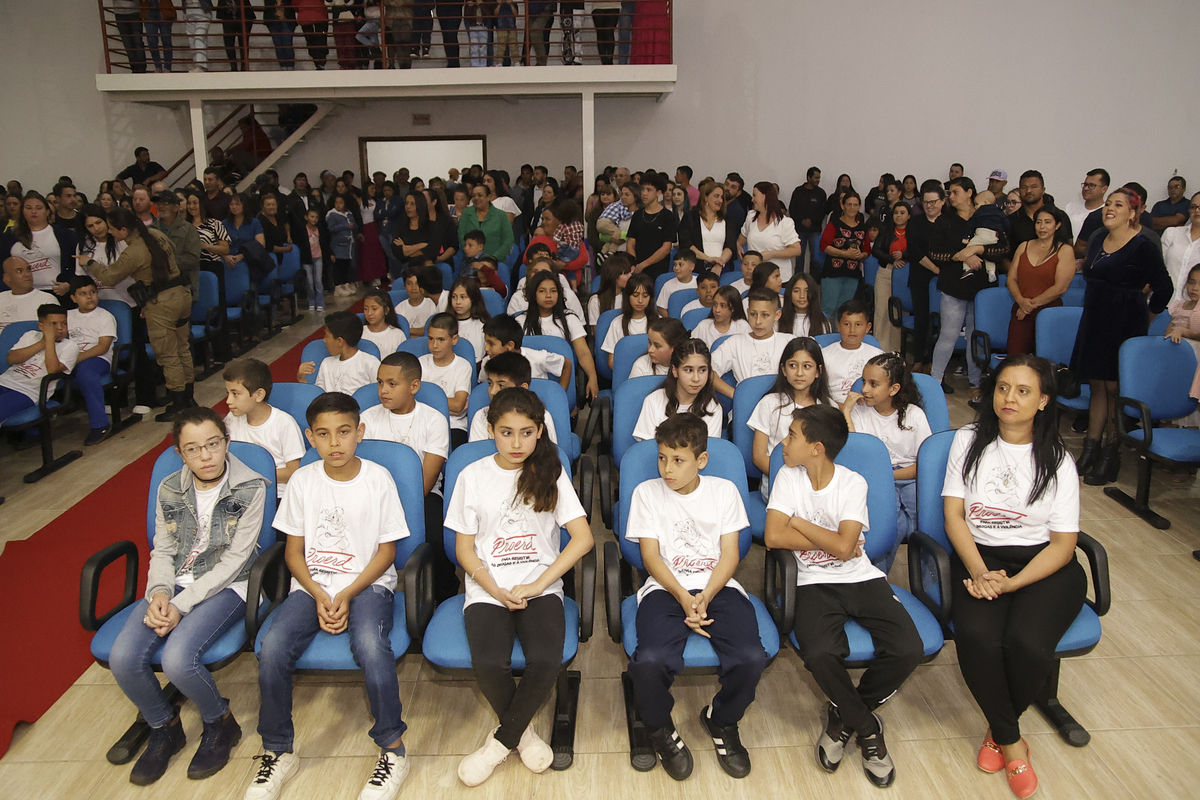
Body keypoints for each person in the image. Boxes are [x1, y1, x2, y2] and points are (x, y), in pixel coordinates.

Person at [248, 392, 412, 800]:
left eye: (343, 432)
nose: (335, 442)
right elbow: (292, 552)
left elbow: (386, 552)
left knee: (371, 645)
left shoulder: (378, 479)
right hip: (313, 585)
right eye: (323, 434)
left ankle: (392, 748)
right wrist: (321, 593)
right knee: (272, 648)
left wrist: (346, 593)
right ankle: (278, 750)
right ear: (310, 437)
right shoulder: (303, 481)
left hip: (367, 583)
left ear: (360, 432)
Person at [942, 356, 1087, 800]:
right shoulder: (968, 440)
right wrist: (981, 572)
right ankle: (1010, 740)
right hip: (981, 557)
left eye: (1024, 391)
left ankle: (999, 730)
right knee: (977, 637)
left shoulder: (1058, 460)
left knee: (1027, 642)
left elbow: (1063, 545)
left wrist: (1012, 584)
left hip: (1044, 565)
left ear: (1043, 401)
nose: (1009, 398)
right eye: (1003, 387)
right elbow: (954, 516)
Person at [765, 405, 922, 788]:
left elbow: (845, 547)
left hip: (860, 577)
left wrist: (799, 522)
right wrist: (835, 541)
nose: (784, 442)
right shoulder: (787, 475)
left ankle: (844, 714)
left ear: (816, 448)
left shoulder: (853, 483)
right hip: (811, 581)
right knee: (820, 653)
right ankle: (867, 728)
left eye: (792, 436)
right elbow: (773, 537)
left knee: (908, 648)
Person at [109, 407, 267, 786]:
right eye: (193, 449)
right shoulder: (170, 487)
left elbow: (235, 561)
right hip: (176, 583)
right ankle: (164, 727)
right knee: (124, 658)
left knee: (179, 660)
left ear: (227, 442)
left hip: (231, 584)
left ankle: (220, 722)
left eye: (213, 444)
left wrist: (180, 605)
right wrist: (160, 593)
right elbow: (162, 549)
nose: (205, 456)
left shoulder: (251, 487)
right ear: (180, 453)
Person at [447, 387, 593, 786]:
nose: (516, 443)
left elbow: (583, 538)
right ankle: (522, 734)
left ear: (540, 431)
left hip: (539, 586)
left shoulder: (551, 471)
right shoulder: (472, 475)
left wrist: (538, 584)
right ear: (490, 430)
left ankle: (498, 744)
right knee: (489, 663)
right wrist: (494, 588)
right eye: (506, 432)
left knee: (545, 660)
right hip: (488, 586)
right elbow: (463, 549)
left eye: (526, 433)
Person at [625, 412, 763, 781]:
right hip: (666, 588)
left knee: (751, 657)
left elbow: (730, 554)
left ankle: (722, 720)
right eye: (661, 458)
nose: (667, 469)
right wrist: (685, 597)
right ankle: (659, 728)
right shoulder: (646, 493)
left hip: (719, 586)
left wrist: (706, 595)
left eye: (678, 460)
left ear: (701, 460)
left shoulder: (723, 491)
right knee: (650, 660)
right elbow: (651, 557)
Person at [1071, 188, 1173, 485]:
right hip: (1095, 319)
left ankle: (1111, 453)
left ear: (1133, 212)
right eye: (1108, 204)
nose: (1110, 208)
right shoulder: (1098, 238)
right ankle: (1090, 448)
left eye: (1118, 204)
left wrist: (1148, 315)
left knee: (1114, 388)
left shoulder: (1143, 245)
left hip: (1125, 321)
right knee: (1097, 385)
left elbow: (1164, 287)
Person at [82, 208, 195, 421]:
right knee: (182, 348)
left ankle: (179, 404)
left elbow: (110, 277)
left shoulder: (134, 251)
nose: (110, 233)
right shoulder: (156, 234)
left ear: (124, 230)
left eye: (112, 229)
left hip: (162, 303)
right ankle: (188, 397)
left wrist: (90, 263)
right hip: (181, 294)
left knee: (168, 355)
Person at [928, 178, 1007, 402]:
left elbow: (1002, 249)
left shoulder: (987, 215)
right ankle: (934, 381)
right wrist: (961, 256)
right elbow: (935, 253)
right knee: (948, 335)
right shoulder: (945, 220)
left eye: (955, 192)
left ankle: (975, 383)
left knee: (976, 337)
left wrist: (978, 250)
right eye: (949, 193)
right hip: (954, 286)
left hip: (982, 289)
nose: (951, 197)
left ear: (969, 192)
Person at [841, 353, 931, 542]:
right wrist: (847, 412)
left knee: (926, 519)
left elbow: (925, 465)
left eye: (873, 384)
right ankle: (883, 562)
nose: (864, 389)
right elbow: (855, 453)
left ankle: (925, 560)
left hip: (909, 475)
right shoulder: (860, 412)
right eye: (864, 381)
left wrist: (891, 475)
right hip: (875, 477)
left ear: (894, 389)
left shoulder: (914, 415)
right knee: (891, 526)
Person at [748, 337, 831, 496]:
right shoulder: (769, 403)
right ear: (784, 370)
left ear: (818, 371)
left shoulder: (828, 408)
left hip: (816, 485)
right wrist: (788, 481)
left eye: (807, 366)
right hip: (778, 483)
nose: (799, 373)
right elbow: (758, 457)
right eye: (793, 365)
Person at [222, 358, 305, 500]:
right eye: (228, 393)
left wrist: (252, 477)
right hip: (240, 492)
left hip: (276, 494)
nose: (228, 400)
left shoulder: (284, 423)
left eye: (235, 394)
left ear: (259, 395)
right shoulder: (232, 418)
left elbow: (293, 470)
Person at [515, 268, 599, 398]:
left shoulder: (569, 318)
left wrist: (593, 378)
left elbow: (583, 353)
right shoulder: (520, 321)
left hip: (564, 380)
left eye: (553, 291)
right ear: (533, 294)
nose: (548, 295)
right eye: (542, 291)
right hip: (527, 383)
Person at [1006, 207, 1075, 356]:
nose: (1042, 226)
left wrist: (1030, 305)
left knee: (1044, 361)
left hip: (1049, 313)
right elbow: (1011, 279)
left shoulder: (1065, 250)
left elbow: (1060, 287)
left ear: (1057, 225)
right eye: (1038, 222)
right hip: (1021, 311)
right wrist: (1021, 301)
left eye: (1047, 222)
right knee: (1015, 359)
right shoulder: (1023, 246)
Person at [0, 303, 78, 424]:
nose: (60, 328)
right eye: (53, 324)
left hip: (28, 391)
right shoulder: (30, 335)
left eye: (64, 323)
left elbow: (52, 369)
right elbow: (12, 359)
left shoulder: (70, 346)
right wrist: (43, 342)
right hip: (4, 382)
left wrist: (50, 341)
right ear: (41, 326)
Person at [632, 338, 723, 441]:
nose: (696, 378)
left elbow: (708, 448)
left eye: (702, 370)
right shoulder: (653, 401)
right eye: (688, 370)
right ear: (675, 371)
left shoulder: (712, 408)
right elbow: (648, 447)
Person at [711, 287, 792, 399]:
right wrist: (738, 396)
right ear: (747, 312)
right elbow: (707, 371)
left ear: (777, 315)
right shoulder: (734, 343)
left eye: (765, 315)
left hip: (782, 403)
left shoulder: (789, 342)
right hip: (748, 405)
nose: (758, 321)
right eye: (753, 314)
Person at [65, 277, 118, 445]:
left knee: (86, 374)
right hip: (70, 357)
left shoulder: (105, 316)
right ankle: (33, 430)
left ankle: (100, 425)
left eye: (92, 292)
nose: (89, 297)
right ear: (73, 298)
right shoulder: (67, 316)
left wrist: (76, 359)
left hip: (98, 359)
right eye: (83, 294)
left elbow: (103, 347)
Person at [469, 351, 558, 444]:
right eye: (490, 383)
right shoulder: (481, 416)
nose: (493, 391)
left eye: (501, 385)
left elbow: (549, 451)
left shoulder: (543, 416)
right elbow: (477, 452)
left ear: (522, 388)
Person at [1, 191, 78, 297]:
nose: (33, 211)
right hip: (22, 293)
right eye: (28, 208)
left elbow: (76, 263)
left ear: (47, 211)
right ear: (22, 211)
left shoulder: (64, 234)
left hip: (57, 292)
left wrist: (69, 283)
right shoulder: (10, 235)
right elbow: (3, 264)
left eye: (38, 208)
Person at [419, 312, 474, 446]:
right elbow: (410, 400)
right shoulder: (420, 363)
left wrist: (425, 401)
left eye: (441, 340)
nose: (434, 345)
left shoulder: (463, 366)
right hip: (422, 422)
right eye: (431, 339)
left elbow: (458, 405)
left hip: (453, 425)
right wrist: (449, 405)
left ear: (454, 339)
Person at [297, 310, 381, 394]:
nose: (324, 340)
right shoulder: (326, 363)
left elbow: (379, 393)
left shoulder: (370, 363)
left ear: (340, 341)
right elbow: (317, 395)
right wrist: (302, 379)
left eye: (327, 336)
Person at [819, 191, 871, 317]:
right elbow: (824, 246)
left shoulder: (863, 228)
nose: (852, 208)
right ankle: (821, 330)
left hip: (852, 274)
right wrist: (844, 254)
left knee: (844, 310)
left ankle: (838, 331)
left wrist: (861, 255)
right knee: (828, 307)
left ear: (859, 207)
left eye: (855, 205)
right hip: (833, 273)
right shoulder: (834, 224)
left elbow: (867, 250)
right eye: (849, 204)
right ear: (843, 206)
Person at [822, 299, 883, 405]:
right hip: (835, 408)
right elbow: (819, 392)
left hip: (868, 407)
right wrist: (842, 408)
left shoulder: (878, 356)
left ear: (868, 327)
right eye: (847, 324)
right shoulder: (824, 354)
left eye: (858, 324)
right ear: (838, 326)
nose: (852, 330)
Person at [739, 182, 802, 283]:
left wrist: (771, 254)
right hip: (756, 277)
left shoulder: (785, 222)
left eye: (755, 195)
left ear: (765, 197)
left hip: (779, 279)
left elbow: (796, 250)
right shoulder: (751, 217)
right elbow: (742, 238)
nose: (752, 199)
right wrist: (738, 245)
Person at [870, 201, 911, 352]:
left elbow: (918, 250)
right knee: (882, 311)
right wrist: (892, 259)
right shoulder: (886, 230)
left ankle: (895, 350)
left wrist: (904, 255)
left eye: (902, 213)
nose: (898, 216)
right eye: (896, 213)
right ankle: (880, 349)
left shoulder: (914, 232)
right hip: (886, 272)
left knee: (898, 312)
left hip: (905, 274)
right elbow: (876, 251)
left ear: (909, 215)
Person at [679, 181, 737, 275]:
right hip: (696, 267)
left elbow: (731, 246)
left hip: (722, 268)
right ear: (705, 197)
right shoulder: (691, 217)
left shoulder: (728, 218)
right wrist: (708, 258)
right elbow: (686, 243)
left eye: (722, 197)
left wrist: (719, 264)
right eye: (716, 196)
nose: (720, 200)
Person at [602, 272, 658, 370]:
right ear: (627, 296)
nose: (640, 300)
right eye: (635, 295)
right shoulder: (617, 323)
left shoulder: (660, 322)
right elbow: (612, 362)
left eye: (645, 296)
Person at [627, 173, 678, 279]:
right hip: (636, 266)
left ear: (658, 192)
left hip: (658, 268)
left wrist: (643, 265)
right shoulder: (638, 214)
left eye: (649, 190)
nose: (644, 193)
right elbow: (631, 242)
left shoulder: (668, 216)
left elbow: (666, 248)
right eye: (642, 189)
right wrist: (634, 263)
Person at [153, 192, 202, 300]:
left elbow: (193, 259)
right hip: (156, 287)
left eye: (165, 203)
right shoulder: (151, 229)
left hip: (183, 287)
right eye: (158, 203)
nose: (160, 206)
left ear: (176, 207)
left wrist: (167, 261)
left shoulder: (189, 229)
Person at [1161, 192, 1200, 303]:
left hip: (1193, 307)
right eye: (1193, 207)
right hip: (1163, 303)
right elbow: (1157, 267)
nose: (1197, 210)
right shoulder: (1172, 233)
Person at [458, 184, 514, 261]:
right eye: (473, 196)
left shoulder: (501, 215)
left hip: (495, 261)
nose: (476, 198)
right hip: (470, 261)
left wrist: (494, 258)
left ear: (488, 197)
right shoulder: (466, 213)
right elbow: (461, 236)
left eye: (480, 195)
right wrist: (470, 253)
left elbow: (508, 240)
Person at [0, 256, 58, 331]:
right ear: (7, 277)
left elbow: (56, 332)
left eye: (28, 270)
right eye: (19, 271)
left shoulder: (47, 300)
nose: (27, 274)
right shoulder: (1, 298)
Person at [1066, 169, 1109, 258]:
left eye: (1091, 185)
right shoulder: (1071, 207)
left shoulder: (1107, 212)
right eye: (1085, 184)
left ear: (1104, 189)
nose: (1086, 188)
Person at [587, 252, 632, 331]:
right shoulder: (596, 300)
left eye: (630, 272)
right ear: (614, 276)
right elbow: (597, 332)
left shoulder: (631, 296)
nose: (630, 276)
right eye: (625, 273)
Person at [779, 272, 831, 337]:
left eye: (807, 291)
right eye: (796, 291)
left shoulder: (823, 322)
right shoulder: (777, 320)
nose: (802, 296)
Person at [325, 194, 358, 296]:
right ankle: (338, 286)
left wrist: (353, 226)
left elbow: (355, 225)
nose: (338, 205)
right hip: (338, 245)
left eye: (341, 203)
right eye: (336, 202)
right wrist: (345, 226)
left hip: (349, 245)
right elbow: (331, 228)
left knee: (346, 265)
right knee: (338, 265)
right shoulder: (332, 214)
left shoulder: (349, 214)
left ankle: (346, 284)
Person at [361, 288, 408, 356]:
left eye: (374, 309)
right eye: (366, 309)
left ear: (386, 310)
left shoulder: (398, 334)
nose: (369, 313)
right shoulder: (360, 333)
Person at [397, 264, 440, 336]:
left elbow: (434, 330)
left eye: (417, 283)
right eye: (409, 283)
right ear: (405, 286)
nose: (413, 288)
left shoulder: (432, 303)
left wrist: (408, 330)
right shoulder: (399, 309)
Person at [299, 207, 328, 311]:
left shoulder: (320, 229)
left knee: (318, 281)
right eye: (312, 216)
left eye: (316, 217)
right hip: (307, 259)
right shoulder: (303, 230)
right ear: (306, 217)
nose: (314, 219)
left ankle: (320, 302)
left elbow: (324, 242)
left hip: (318, 257)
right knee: (309, 281)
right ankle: (311, 301)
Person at [656, 250, 698, 316]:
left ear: (692, 266)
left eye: (680, 264)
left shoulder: (700, 283)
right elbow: (661, 308)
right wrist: (671, 320)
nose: (676, 268)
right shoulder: (668, 285)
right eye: (675, 264)